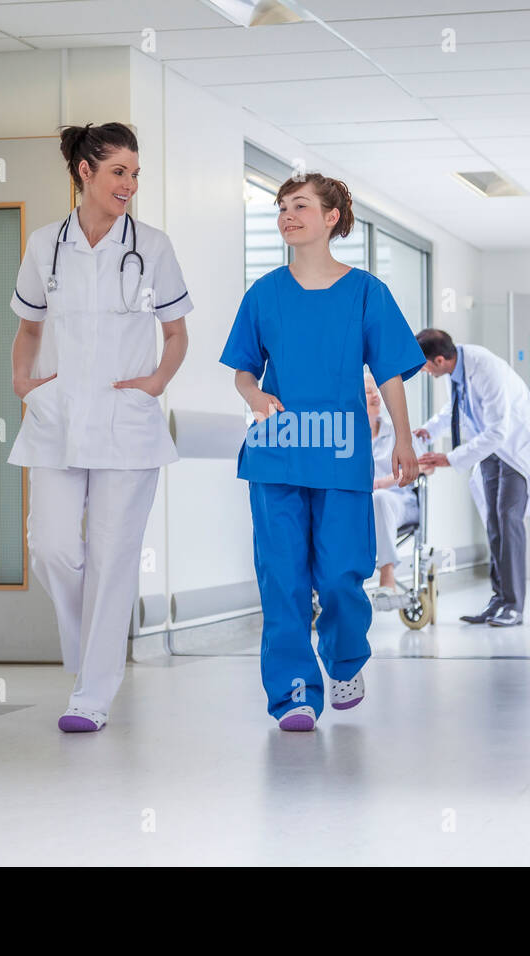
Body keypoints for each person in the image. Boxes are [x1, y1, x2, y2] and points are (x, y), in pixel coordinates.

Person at [219, 173, 424, 732]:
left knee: (339, 574)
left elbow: (390, 372)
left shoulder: (366, 293)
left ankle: (343, 659)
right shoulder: (263, 294)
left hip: (340, 456)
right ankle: (293, 693)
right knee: (282, 578)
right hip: (277, 454)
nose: (287, 214)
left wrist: (403, 439)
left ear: (331, 218)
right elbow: (241, 369)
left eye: (300, 205)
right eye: (281, 207)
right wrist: (254, 392)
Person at [7, 122, 193, 734]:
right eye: (119, 172)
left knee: (113, 559)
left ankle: (91, 694)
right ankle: (92, 653)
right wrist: (21, 381)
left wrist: (158, 382)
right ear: (84, 172)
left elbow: (175, 331)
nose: (130, 184)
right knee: (53, 548)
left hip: (127, 422)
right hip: (58, 416)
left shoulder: (154, 246)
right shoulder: (45, 244)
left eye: (135, 174)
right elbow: (30, 326)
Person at [415, 330, 530, 627]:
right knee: (494, 524)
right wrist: (430, 430)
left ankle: (514, 605)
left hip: (514, 451)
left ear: (439, 360)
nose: (423, 371)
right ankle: (499, 599)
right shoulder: (456, 371)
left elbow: (499, 430)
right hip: (488, 452)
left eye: (425, 366)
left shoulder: (485, 369)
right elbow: (455, 410)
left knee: (508, 518)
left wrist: (449, 458)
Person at [366, 371, 431, 608]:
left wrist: (385, 482)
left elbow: (425, 466)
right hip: (361, 507)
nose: (374, 395)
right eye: (367, 391)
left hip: (399, 502)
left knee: (380, 498)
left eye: (376, 390)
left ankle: (387, 575)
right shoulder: (349, 437)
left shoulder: (397, 431)